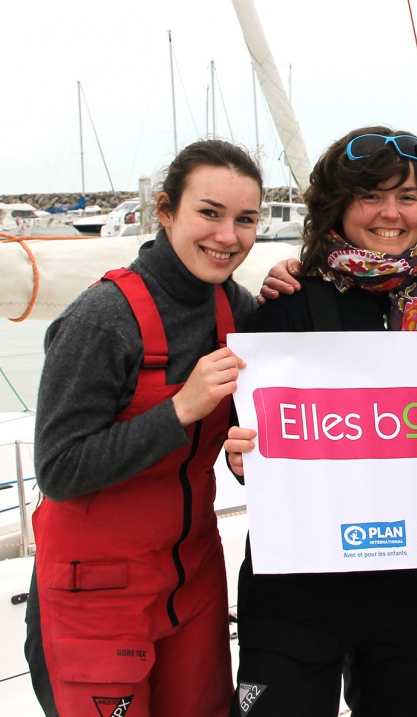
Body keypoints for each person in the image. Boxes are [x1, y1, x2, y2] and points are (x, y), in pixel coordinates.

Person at [223, 127, 417, 717]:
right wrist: (242, 458)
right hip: (297, 585)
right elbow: (253, 448)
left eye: (407, 196)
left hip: (415, 587)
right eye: (369, 196)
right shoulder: (286, 303)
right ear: (336, 204)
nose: (390, 213)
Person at [25, 139, 263, 717]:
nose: (227, 236)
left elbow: (250, 436)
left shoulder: (242, 312)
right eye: (209, 213)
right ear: (165, 211)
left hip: (194, 580)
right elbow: (58, 470)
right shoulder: (102, 319)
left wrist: (243, 458)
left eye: (246, 219)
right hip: (95, 593)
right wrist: (179, 409)